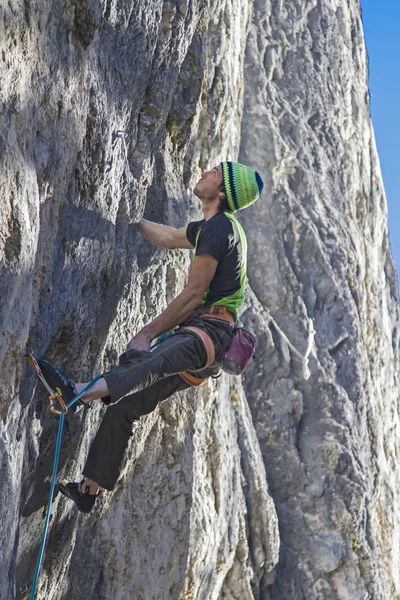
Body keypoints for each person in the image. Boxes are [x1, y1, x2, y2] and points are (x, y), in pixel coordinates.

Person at [39, 161, 263, 513]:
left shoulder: (221, 228)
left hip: (208, 333)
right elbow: (171, 237)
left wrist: (146, 333)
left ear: (222, 193)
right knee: (127, 406)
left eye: (215, 173)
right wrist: (134, 220)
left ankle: (78, 393)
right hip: (208, 344)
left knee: (148, 362)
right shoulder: (212, 227)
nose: (203, 171)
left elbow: (192, 294)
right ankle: (88, 490)